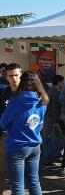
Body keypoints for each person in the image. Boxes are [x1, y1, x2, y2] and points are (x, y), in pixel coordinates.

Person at [0, 71, 49, 195]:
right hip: (35, 145)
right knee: (34, 182)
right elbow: (40, 123)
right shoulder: (43, 100)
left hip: (17, 146)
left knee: (17, 186)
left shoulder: (15, 101)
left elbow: (3, 123)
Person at [0, 63, 22, 195]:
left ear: (21, 75)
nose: (14, 79)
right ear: (6, 77)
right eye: (10, 76)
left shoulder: (28, 93)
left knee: (20, 176)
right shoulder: (4, 93)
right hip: (5, 134)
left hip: (22, 138)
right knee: (1, 171)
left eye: (16, 75)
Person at [41, 74, 65, 166]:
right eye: (63, 81)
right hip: (51, 118)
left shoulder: (50, 90)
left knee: (48, 138)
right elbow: (55, 107)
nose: (63, 83)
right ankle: (47, 160)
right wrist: (56, 122)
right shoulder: (55, 92)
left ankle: (48, 159)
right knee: (49, 139)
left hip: (47, 117)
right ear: (59, 82)